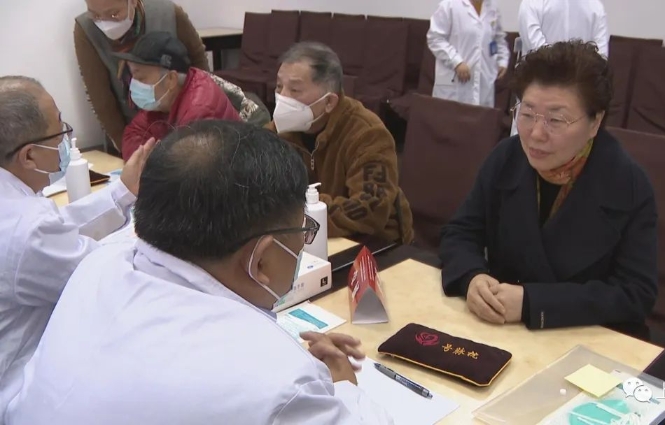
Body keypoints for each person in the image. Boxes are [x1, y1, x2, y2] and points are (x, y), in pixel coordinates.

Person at [6, 120, 393, 425]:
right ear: (261, 261)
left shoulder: (100, 263)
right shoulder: (281, 383)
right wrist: (344, 385)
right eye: (303, 231)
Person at [438, 41, 658, 330]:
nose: (536, 134)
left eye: (556, 119)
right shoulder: (506, 158)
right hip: (502, 325)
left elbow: (635, 293)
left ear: (595, 122)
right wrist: (472, 277)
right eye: (527, 114)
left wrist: (533, 303)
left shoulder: (627, 184)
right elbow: (461, 232)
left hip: (585, 336)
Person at [0, 76, 153, 420]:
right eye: (59, 129)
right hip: (17, 391)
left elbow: (59, 229)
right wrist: (155, 235)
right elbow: (100, 273)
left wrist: (123, 193)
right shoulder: (26, 228)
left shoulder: (17, 209)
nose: (65, 138)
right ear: (29, 155)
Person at [267, 42, 413, 244]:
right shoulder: (280, 130)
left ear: (329, 102)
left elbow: (371, 211)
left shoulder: (368, 134)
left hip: (372, 243)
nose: (282, 98)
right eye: (279, 87)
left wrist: (297, 210)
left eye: (295, 89)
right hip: (307, 234)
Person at [74, 0, 209, 153]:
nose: (105, 24)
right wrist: (127, 149)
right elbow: (100, 98)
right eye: (95, 15)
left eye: (114, 14)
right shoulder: (86, 29)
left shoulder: (168, 14)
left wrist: (202, 101)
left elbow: (198, 60)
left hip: (184, 121)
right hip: (130, 129)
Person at [116, 31, 241, 161]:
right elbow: (132, 135)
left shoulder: (199, 109)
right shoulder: (162, 99)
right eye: (133, 77)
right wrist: (151, 158)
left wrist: (150, 158)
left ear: (171, 79)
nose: (133, 84)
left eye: (141, 78)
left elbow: (183, 166)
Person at [427, 0, 511, 107]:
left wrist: (502, 60)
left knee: (481, 115)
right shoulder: (449, 5)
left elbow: (498, 38)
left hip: (484, 85)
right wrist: (456, 62)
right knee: (451, 115)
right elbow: (435, 39)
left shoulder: (492, 7)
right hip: (454, 86)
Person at [518, 0, 609, 58]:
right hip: (581, 79)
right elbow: (601, 56)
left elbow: (537, 49)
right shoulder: (596, 6)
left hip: (541, 78)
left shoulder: (531, 3)